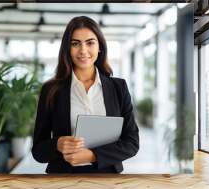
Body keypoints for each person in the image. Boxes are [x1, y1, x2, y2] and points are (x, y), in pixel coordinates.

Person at [32, 16, 139, 173]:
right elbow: (38, 151)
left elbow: (131, 142)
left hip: (107, 178)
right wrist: (57, 144)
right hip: (62, 179)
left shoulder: (118, 87)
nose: (83, 50)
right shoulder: (51, 89)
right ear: (67, 49)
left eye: (90, 42)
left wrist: (92, 156)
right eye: (75, 43)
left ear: (99, 47)